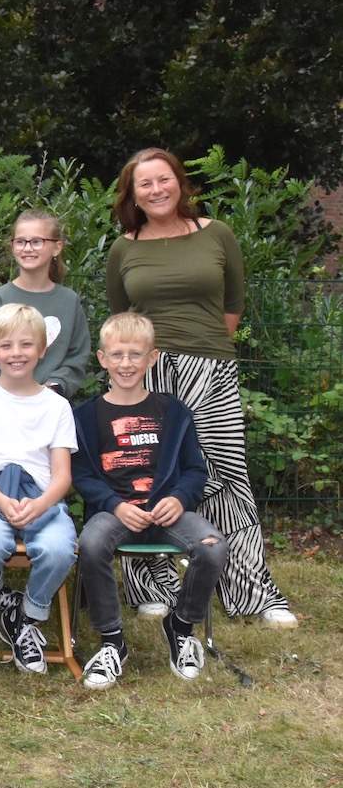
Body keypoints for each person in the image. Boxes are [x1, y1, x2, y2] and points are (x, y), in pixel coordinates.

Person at [106, 147, 295, 627]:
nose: (157, 190)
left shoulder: (217, 234)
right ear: (133, 195)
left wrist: (202, 352)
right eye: (145, 184)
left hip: (211, 370)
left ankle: (252, 592)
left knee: (226, 476)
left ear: (180, 182)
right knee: (146, 474)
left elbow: (233, 305)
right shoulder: (124, 248)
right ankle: (152, 587)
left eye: (164, 179)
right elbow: (121, 319)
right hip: (147, 373)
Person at [72, 313, 226, 689]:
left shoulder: (173, 413)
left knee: (212, 546)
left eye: (135, 354)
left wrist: (179, 498)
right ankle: (112, 641)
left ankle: (181, 626)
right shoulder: (85, 416)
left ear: (152, 358)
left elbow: (195, 470)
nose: (126, 363)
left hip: (167, 513)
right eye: (117, 354)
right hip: (115, 512)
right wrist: (115, 505)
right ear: (102, 358)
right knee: (91, 543)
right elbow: (82, 476)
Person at [0, 304, 79, 675]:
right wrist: (0, 500)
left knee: (59, 549)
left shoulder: (57, 406)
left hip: (41, 496)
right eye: (6, 345)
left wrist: (40, 505)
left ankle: (27, 614)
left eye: (26, 344)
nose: (16, 353)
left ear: (42, 349)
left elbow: (62, 476)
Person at [0, 210, 91, 399]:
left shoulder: (69, 301)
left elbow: (77, 356)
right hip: (4, 399)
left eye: (37, 241)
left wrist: (53, 388)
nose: (27, 248)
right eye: (20, 241)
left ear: (56, 248)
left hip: (52, 400)